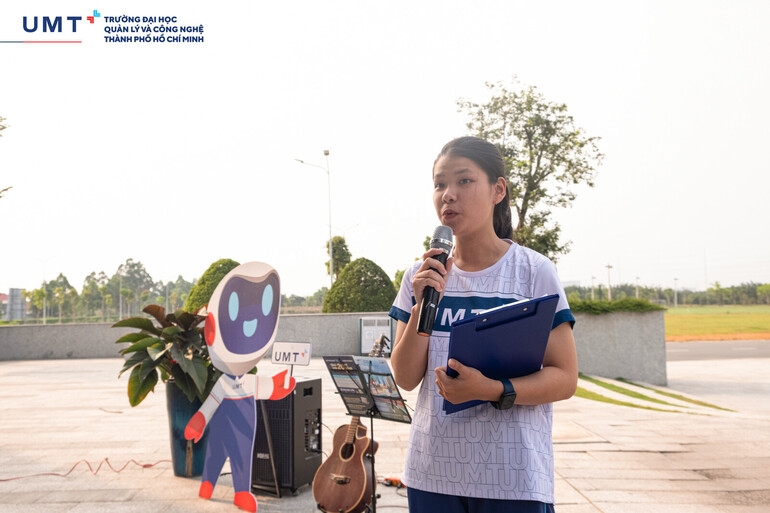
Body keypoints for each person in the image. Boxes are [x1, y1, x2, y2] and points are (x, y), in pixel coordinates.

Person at [389, 136, 578, 513]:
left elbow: (565, 377)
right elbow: (406, 378)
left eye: (464, 180)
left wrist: (492, 389)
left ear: (498, 190)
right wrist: (425, 304)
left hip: (514, 479)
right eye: (440, 184)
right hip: (432, 475)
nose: (448, 194)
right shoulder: (420, 277)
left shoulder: (533, 272)